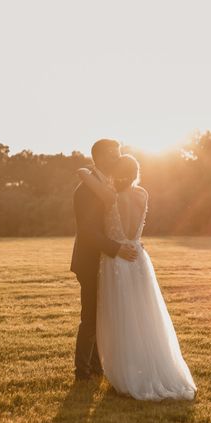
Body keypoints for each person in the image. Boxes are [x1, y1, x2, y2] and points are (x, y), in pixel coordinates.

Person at [77, 154, 196, 400]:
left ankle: (124, 372)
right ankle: (153, 367)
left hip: (117, 260)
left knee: (121, 317)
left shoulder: (109, 196)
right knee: (144, 315)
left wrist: (87, 170)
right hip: (139, 257)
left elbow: (83, 175)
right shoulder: (143, 194)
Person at [70, 139, 138, 381]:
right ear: (99, 157)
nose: (117, 159)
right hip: (89, 260)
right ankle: (82, 371)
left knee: (104, 314)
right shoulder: (86, 189)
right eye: (113, 155)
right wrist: (116, 248)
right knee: (90, 316)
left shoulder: (107, 183)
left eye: (119, 154)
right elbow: (88, 231)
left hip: (108, 261)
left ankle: (98, 366)